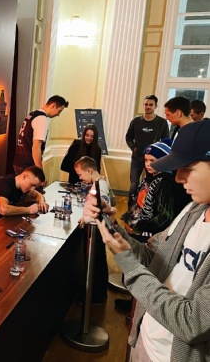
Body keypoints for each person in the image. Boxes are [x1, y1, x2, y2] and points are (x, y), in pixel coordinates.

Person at [88, 119, 210, 361]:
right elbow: (155, 259)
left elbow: (193, 322)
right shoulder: (192, 211)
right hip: (144, 343)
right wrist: (115, 230)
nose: (178, 178)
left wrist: (128, 262)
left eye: (187, 168)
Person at [74, 156, 113, 304]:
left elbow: (101, 211)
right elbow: (113, 200)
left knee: (97, 262)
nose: (80, 178)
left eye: (80, 174)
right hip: (95, 228)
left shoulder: (100, 187)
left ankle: (97, 295)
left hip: (96, 230)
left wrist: (86, 219)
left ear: (89, 171)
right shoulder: (101, 182)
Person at [122, 142, 177, 242]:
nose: (148, 164)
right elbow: (137, 202)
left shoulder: (164, 184)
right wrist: (128, 218)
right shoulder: (149, 178)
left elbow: (164, 217)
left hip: (146, 235)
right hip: (134, 226)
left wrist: (138, 226)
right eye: (146, 160)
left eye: (152, 160)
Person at [0, 166, 48, 233]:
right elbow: (3, 209)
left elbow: (37, 195)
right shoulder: (5, 185)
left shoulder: (21, 185)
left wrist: (41, 202)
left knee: (24, 228)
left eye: (35, 187)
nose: (32, 189)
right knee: (18, 233)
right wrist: (29, 210)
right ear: (24, 177)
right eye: (32, 185)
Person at [125, 94, 169, 207]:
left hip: (153, 161)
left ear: (155, 106)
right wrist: (133, 148)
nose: (148, 107)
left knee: (150, 185)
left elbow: (165, 140)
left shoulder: (162, 123)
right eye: (146, 104)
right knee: (133, 186)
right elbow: (128, 137)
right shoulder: (135, 121)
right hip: (137, 158)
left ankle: (145, 209)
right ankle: (130, 209)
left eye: (150, 105)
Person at [13, 95, 69, 174]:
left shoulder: (32, 114)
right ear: (53, 106)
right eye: (59, 111)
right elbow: (36, 148)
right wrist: (40, 171)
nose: (58, 114)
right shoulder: (41, 119)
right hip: (28, 164)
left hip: (19, 160)